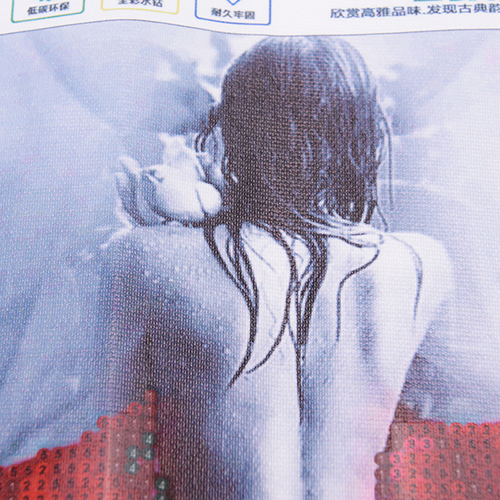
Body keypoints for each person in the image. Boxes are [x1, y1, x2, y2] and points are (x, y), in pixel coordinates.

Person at [102, 36, 453, 499]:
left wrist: (191, 208)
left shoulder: (148, 257)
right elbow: (429, 412)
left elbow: (110, 422)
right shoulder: (422, 266)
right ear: (364, 135)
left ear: (231, 131)